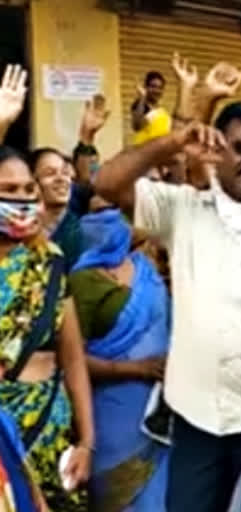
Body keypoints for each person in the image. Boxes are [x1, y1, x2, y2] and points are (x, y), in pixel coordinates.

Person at [93, 103, 241, 512]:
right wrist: (174, 142)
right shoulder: (181, 210)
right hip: (194, 418)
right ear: (218, 149)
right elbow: (105, 182)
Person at [0, 146, 94, 511]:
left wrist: (86, 442)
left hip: (51, 436)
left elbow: (73, 361)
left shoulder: (50, 263)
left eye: (27, 191)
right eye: (8, 190)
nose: (21, 200)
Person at [67, 203, 170, 512]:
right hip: (113, 411)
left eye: (115, 213)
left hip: (160, 407)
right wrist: (133, 368)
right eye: (99, 214)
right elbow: (72, 359)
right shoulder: (82, 281)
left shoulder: (144, 267)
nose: (109, 221)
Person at [28, 148, 84, 271]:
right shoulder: (20, 230)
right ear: (32, 183)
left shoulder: (81, 232)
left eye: (65, 172)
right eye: (50, 173)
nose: (61, 179)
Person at [131, 71, 170, 146]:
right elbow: (136, 126)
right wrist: (142, 97)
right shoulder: (140, 105)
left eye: (160, 88)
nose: (156, 90)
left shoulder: (162, 110)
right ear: (146, 87)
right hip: (144, 153)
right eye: (153, 86)